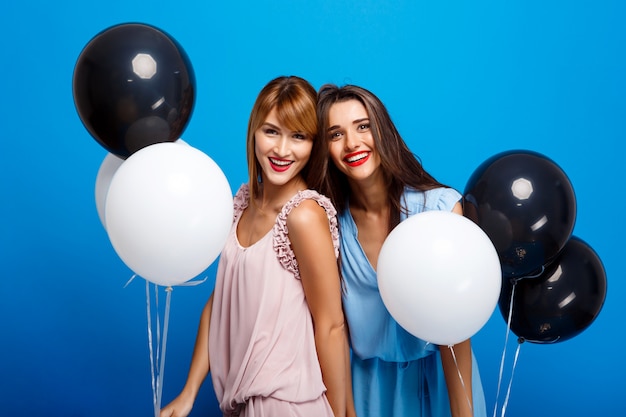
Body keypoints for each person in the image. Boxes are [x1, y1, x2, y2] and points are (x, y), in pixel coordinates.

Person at [161, 76, 354, 417]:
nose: (282, 150)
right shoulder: (241, 203)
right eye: (271, 131)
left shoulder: (304, 215)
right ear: (254, 132)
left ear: (314, 145)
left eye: (299, 136)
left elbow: (331, 326)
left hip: (287, 405)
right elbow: (220, 302)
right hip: (244, 404)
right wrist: (189, 392)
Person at [315, 84, 487, 417]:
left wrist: (463, 413)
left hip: (441, 380)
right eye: (335, 134)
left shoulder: (438, 208)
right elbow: (331, 329)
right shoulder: (329, 224)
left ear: (383, 130)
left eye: (363, 126)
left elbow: (456, 329)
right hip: (367, 391)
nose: (352, 143)